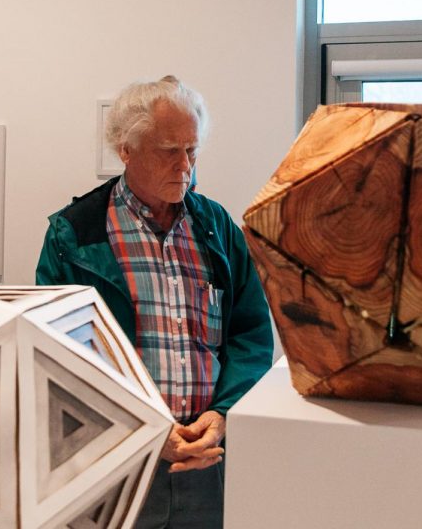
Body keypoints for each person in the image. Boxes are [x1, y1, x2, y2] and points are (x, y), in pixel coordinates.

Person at [36, 76, 274, 528]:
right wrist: (142, 425)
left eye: (193, 150)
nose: (185, 165)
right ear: (126, 149)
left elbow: (250, 334)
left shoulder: (216, 227)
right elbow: (58, 354)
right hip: (114, 457)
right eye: (170, 150)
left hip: (208, 456)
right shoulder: (74, 234)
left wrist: (222, 413)